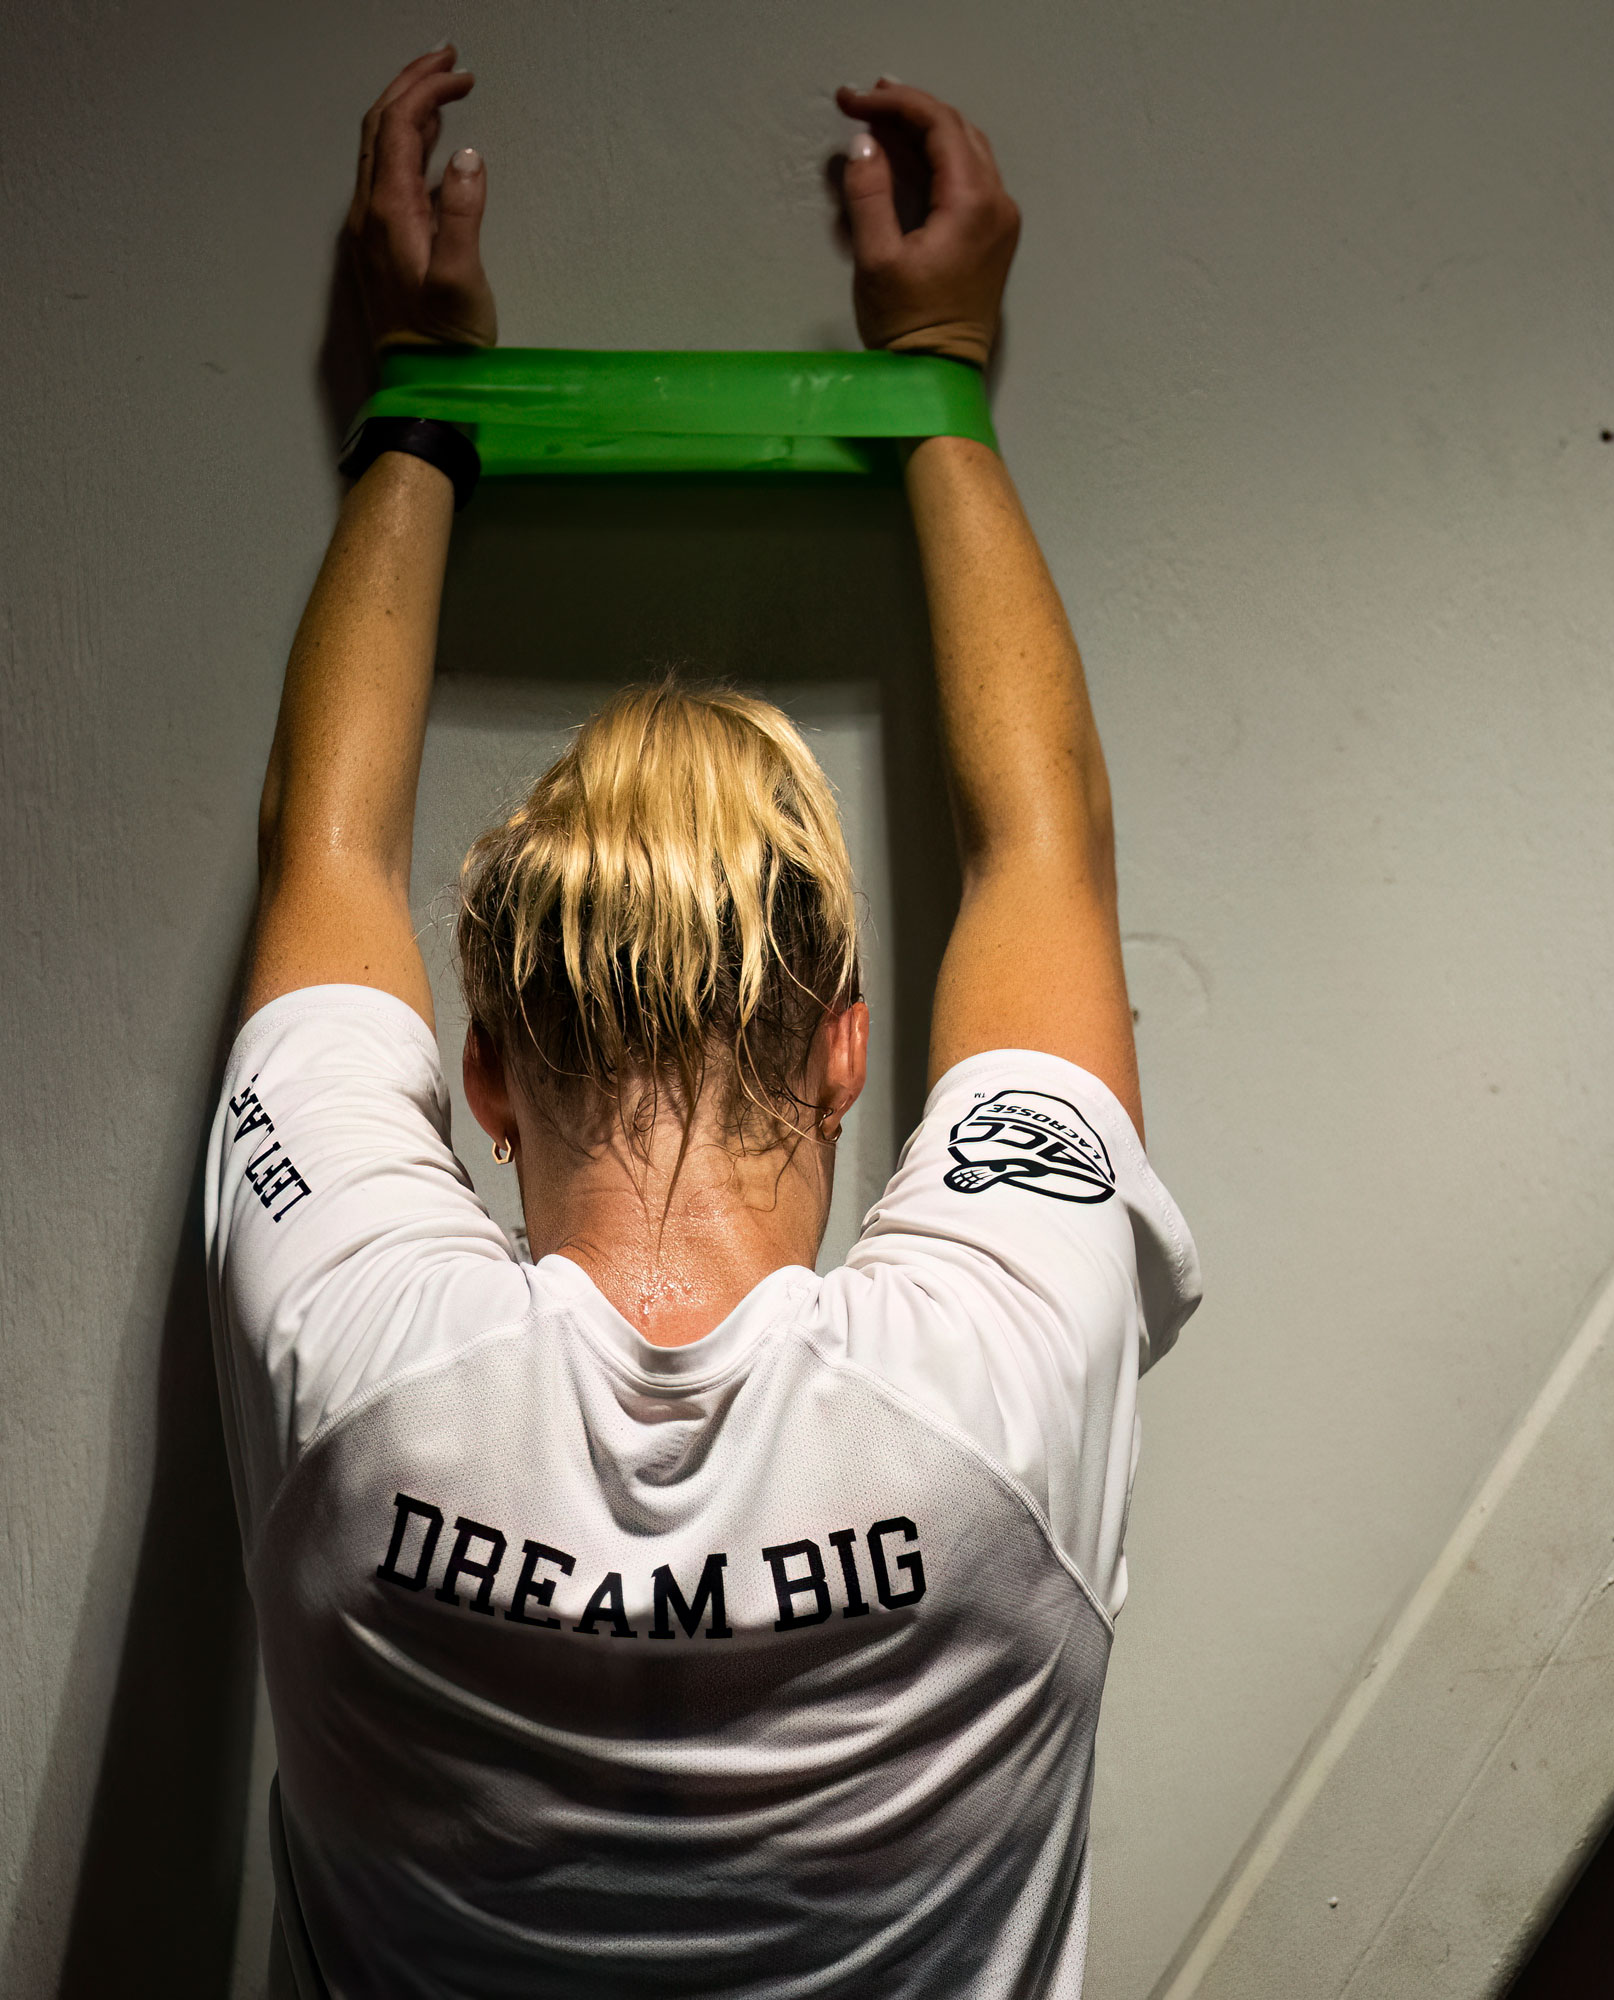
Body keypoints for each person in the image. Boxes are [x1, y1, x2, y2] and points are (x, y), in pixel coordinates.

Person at [204, 47, 1199, 1997]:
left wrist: (419, 392)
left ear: (479, 1069)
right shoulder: (995, 1379)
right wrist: (939, 374)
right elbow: (1044, 857)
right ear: (847, 1050)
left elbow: (320, 852)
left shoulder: (355, 1364)